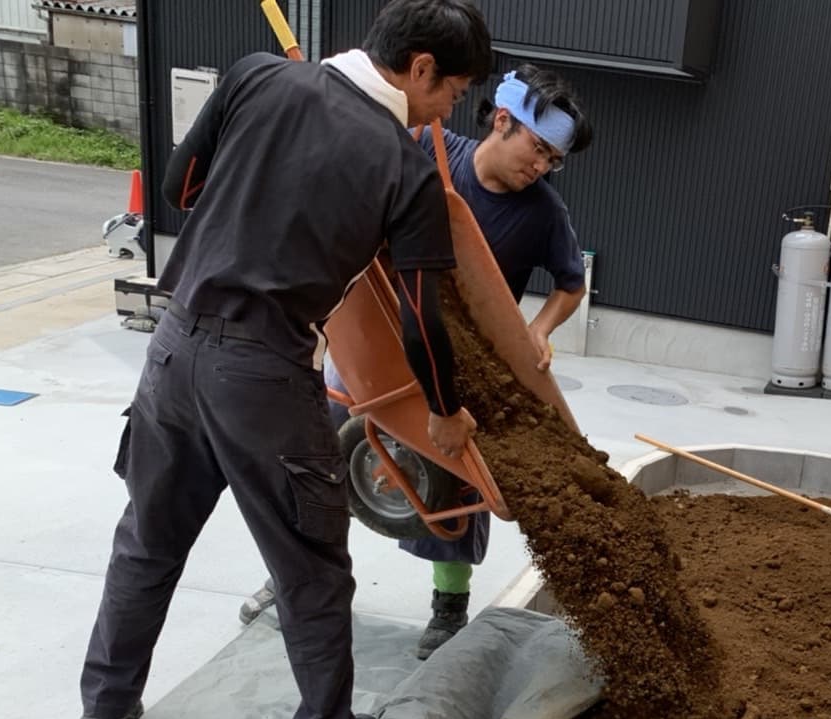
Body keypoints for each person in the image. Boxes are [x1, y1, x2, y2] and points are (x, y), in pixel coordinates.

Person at [77, 0, 492, 719]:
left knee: (149, 537)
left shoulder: (257, 78)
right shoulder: (403, 168)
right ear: (421, 69)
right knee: (311, 570)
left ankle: (107, 698)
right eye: (451, 93)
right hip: (262, 373)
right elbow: (420, 317)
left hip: (173, 348)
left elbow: (180, 185)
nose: (446, 113)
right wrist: (444, 412)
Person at [239, 63, 593, 661]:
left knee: (460, 480)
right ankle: (291, 578)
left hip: (458, 366)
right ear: (502, 121)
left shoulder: (542, 212)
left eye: (553, 160)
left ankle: (449, 607)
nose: (541, 166)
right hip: (373, 338)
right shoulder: (427, 149)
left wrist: (538, 328)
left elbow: (571, 283)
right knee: (317, 461)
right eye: (538, 149)